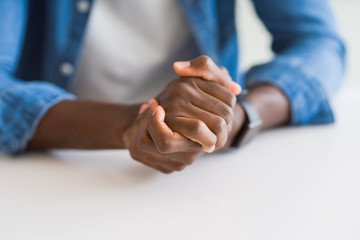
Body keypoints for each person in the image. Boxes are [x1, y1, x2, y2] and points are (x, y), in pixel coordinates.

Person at [0, 0, 345, 173]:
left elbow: (317, 43)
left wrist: (238, 116)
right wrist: (131, 126)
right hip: (54, 165)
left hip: (211, 166)